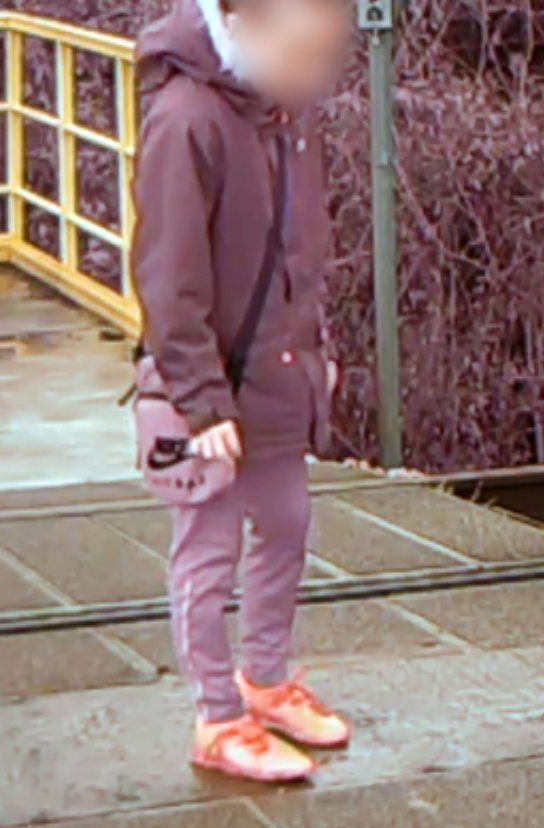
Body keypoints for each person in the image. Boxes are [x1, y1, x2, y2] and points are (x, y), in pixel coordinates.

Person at [131, 0, 352, 782]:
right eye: (302, 51)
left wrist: (314, 351)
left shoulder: (281, 108)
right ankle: (216, 716)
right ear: (243, 23)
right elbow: (168, 278)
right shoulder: (187, 117)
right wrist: (199, 399)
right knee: (209, 553)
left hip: (275, 374)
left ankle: (263, 679)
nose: (315, 71)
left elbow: (299, 251)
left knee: (287, 527)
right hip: (209, 390)